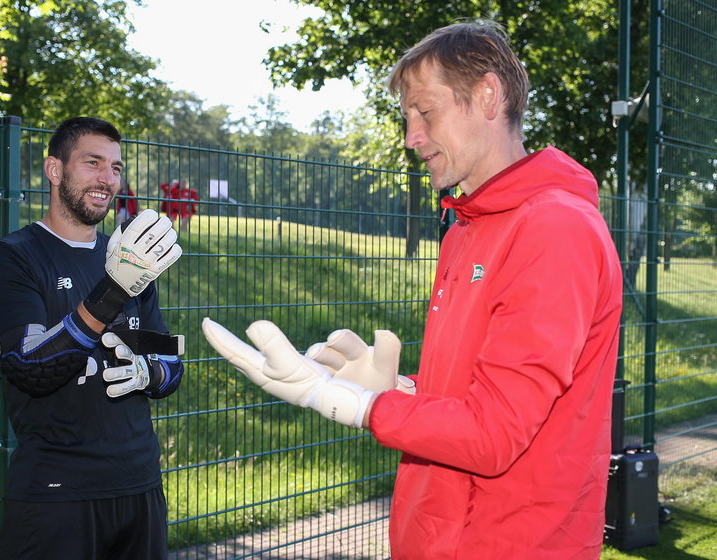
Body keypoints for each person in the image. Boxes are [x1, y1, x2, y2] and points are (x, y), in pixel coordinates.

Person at [201, 20, 623, 560]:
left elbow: (493, 435)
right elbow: (477, 391)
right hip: (434, 535)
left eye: (426, 112)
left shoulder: (554, 228)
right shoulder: (466, 228)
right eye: (407, 118)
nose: (411, 136)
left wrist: (347, 400)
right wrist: (402, 389)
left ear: (488, 96)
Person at [0, 117, 184, 560]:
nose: (107, 178)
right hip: (55, 496)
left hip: (139, 485)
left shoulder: (129, 258)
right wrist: (113, 290)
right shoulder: (10, 259)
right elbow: (30, 368)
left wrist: (149, 373)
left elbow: (173, 366)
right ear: (54, 169)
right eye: (93, 163)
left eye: (116, 167)